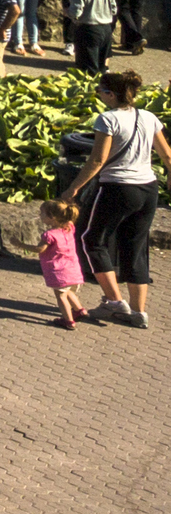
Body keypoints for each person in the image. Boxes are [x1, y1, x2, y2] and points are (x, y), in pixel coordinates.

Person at [61, 70, 164, 328]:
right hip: (148, 188)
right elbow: (168, 155)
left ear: (111, 94)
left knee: (90, 239)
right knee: (135, 246)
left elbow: (97, 160)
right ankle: (139, 312)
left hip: (117, 188)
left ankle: (113, 301)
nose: (98, 94)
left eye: (101, 90)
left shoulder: (107, 119)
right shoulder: (149, 117)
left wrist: (73, 189)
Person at [38, 197, 88, 330]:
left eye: (42, 213)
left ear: (52, 217)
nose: (40, 216)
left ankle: (68, 320)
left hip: (59, 272)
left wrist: (19, 244)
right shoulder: (69, 227)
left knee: (61, 296)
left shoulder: (49, 235)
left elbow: (40, 249)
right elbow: (69, 217)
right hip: (73, 270)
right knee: (69, 291)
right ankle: (80, 310)